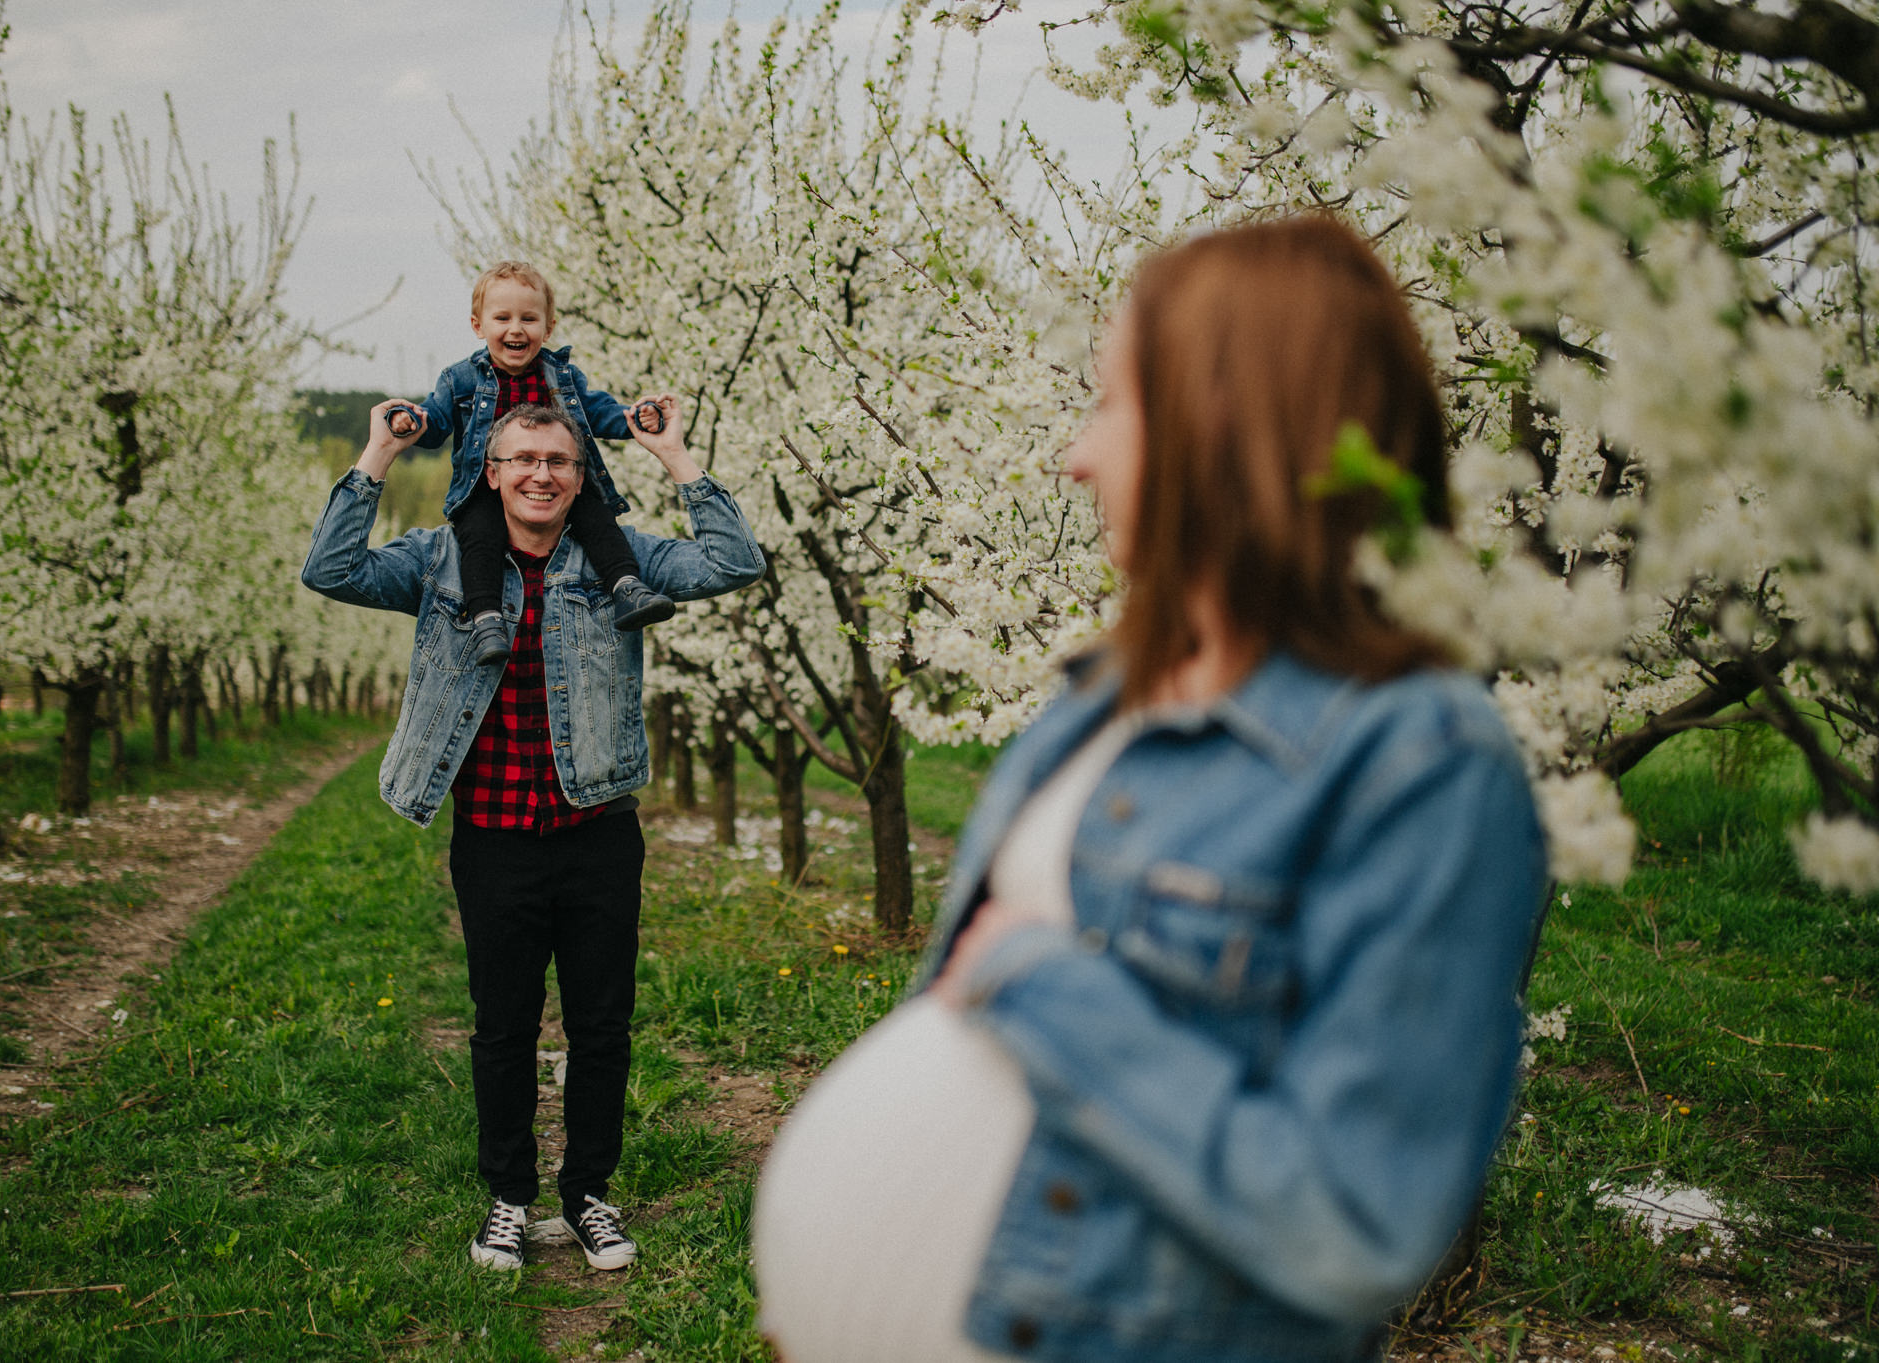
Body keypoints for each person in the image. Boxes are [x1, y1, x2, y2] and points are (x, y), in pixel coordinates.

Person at [752, 216, 1549, 1361]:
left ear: (1217, 420)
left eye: (1106, 405)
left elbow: (1352, 1219)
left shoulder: (1418, 758)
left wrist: (1043, 993)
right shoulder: (1107, 691)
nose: (1074, 456)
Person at [302, 393, 764, 1274]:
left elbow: (736, 562)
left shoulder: (616, 559)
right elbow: (329, 569)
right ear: (493, 471)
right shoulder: (443, 561)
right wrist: (375, 455)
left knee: (601, 1027)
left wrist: (674, 457)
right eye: (524, 460)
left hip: (597, 832)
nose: (541, 475)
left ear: (580, 477)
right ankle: (508, 1201)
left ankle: (588, 1195)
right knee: (503, 1028)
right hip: (494, 837)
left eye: (559, 462)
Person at [385, 259, 677, 667]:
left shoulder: (561, 376)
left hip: (557, 481)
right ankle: (487, 619)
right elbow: (435, 424)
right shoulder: (461, 380)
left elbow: (598, 412)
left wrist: (635, 418)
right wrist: (411, 422)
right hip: (484, 486)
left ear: (549, 327)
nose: (516, 329)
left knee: (597, 517)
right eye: (502, 317)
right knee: (479, 537)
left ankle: (627, 587)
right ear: (478, 325)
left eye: (529, 318)